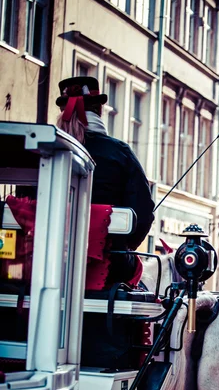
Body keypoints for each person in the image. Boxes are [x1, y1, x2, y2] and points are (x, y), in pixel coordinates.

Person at [55, 76, 154, 287]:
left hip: (47, 258)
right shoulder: (119, 152)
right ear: (99, 111)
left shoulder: (46, 150)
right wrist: (124, 246)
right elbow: (144, 211)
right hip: (110, 264)